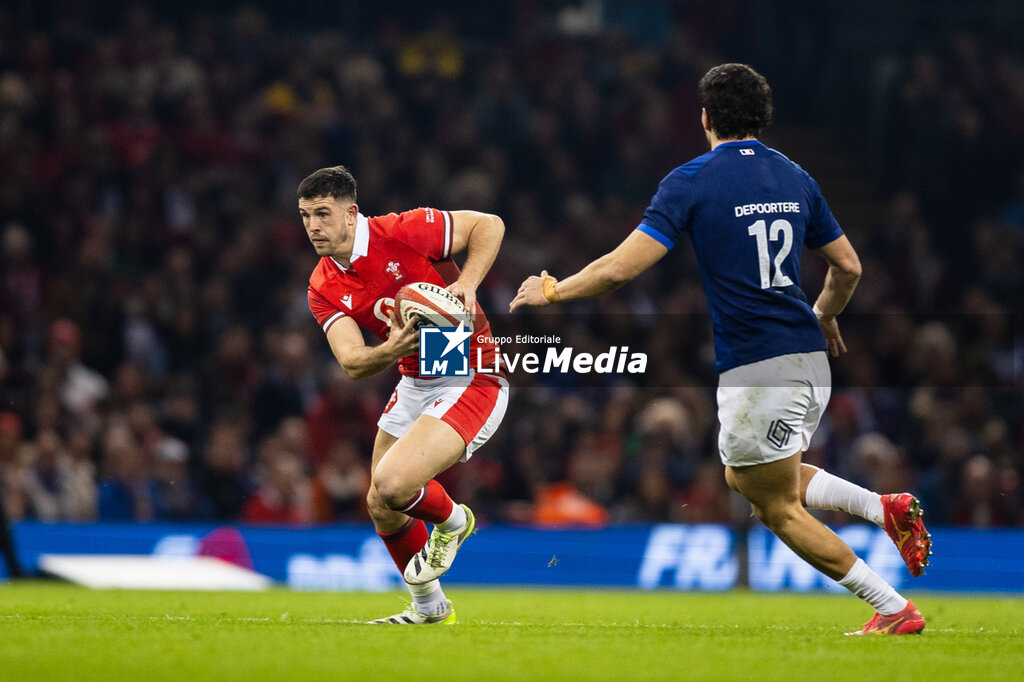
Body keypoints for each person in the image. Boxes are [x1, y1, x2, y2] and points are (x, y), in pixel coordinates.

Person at [511, 64, 932, 635]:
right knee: (747, 479)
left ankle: (891, 608)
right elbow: (849, 266)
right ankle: (884, 509)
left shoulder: (691, 179)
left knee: (775, 507)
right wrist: (824, 314)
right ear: (762, 117)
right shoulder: (796, 177)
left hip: (758, 366)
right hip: (807, 357)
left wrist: (553, 289)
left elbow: (619, 269)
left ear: (705, 117)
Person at [299, 166, 508, 624]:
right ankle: (430, 608)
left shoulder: (403, 230)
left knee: (393, 484)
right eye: (305, 216)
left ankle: (455, 521)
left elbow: (490, 225)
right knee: (379, 502)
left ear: (351, 214)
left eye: (322, 213)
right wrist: (389, 350)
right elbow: (353, 362)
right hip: (416, 379)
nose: (313, 226)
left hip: (472, 372)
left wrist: (467, 284)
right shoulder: (322, 284)